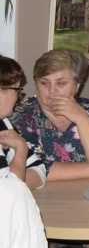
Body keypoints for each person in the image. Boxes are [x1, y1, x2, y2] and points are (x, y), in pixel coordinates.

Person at [11, 50, 89, 182]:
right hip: (45, 198)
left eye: (61, 83)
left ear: (77, 86)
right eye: (44, 83)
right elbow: (35, 169)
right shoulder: (21, 115)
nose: (52, 90)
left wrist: (82, 119)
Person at [1, 56, 45, 189]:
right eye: (18, 90)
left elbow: (40, 170)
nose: (18, 98)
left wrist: (14, 178)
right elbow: (9, 191)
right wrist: (21, 148)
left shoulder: (4, 122)